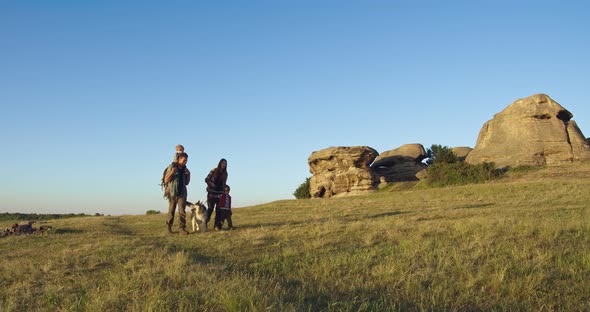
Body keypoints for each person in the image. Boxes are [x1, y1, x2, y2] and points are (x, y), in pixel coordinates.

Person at [164, 152, 191, 235]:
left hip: (182, 193)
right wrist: (172, 172)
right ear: (179, 159)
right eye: (184, 160)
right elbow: (166, 180)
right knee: (171, 211)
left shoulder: (185, 170)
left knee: (182, 211)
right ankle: (169, 228)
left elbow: (186, 183)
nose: (185, 162)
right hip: (172, 193)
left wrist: (189, 174)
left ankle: (182, 229)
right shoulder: (171, 167)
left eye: (186, 160)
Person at [205, 158, 228, 226]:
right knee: (210, 209)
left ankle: (216, 226)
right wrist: (211, 184)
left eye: (225, 164)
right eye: (223, 163)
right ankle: (204, 223)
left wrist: (225, 190)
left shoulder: (225, 173)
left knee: (218, 210)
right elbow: (206, 179)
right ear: (220, 163)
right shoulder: (214, 170)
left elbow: (224, 184)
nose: (224, 165)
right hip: (211, 193)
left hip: (219, 193)